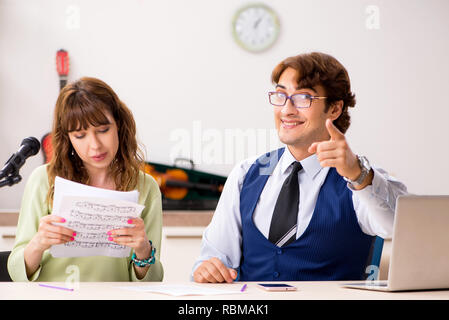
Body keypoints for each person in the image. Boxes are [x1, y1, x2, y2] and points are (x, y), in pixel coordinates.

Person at [192, 52, 408, 283]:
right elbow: (214, 259)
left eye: (303, 98)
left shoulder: (360, 178)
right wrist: (207, 270)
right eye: (281, 95)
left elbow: (399, 226)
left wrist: (358, 174)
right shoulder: (246, 174)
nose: (287, 110)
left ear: (334, 109)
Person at [8, 77, 163, 282]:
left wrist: (143, 249)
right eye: (80, 136)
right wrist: (38, 243)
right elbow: (16, 272)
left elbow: (153, 281)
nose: (95, 146)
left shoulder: (146, 186)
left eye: (103, 130)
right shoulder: (43, 180)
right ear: (68, 139)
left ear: (119, 125)